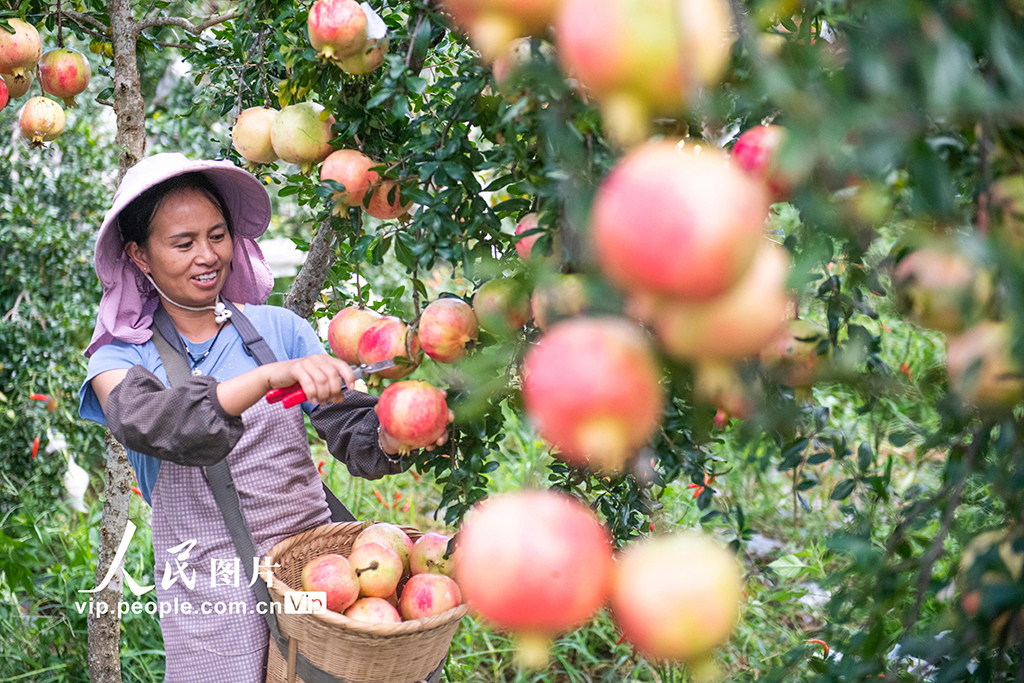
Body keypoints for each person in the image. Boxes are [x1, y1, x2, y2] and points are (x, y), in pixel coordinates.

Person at [79, 153, 450, 682]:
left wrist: (396, 430)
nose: (207, 256)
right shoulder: (118, 360)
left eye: (218, 235)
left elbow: (352, 432)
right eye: (183, 244)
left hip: (313, 576)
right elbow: (155, 422)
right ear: (139, 256)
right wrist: (264, 380)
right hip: (211, 593)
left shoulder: (279, 329)